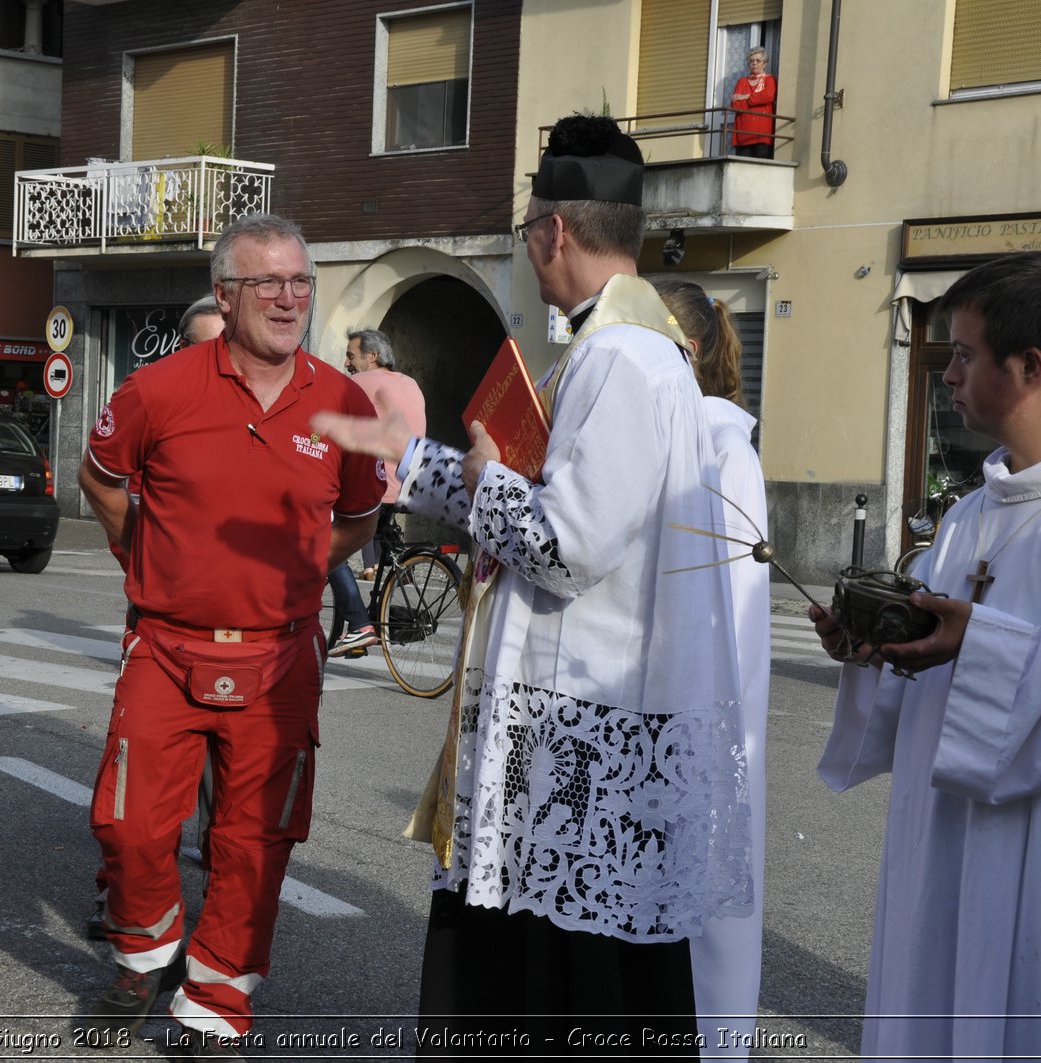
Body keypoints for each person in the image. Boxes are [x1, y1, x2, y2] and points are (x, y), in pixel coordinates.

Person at [314, 114, 748, 1053]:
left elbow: (566, 541)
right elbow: (532, 489)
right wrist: (414, 459)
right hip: (571, 719)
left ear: (555, 232)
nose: (529, 249)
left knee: (570, 978)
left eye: (527, 233)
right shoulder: (614, 348)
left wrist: (478, 477)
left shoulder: (623, 360)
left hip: (579, 728)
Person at [809, 252, 1041, 1060]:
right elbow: (932, 678)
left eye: (961, 353)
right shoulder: (967, 517)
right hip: (940, 853)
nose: (946, 372)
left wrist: (975, 644)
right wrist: (876, 647)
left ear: (1031, 367)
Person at [77, 213, 384, 1058]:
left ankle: (214, 1005)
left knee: (256, 844)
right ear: (225, 293)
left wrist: (296, 573)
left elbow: (356, 519)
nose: (289, 299)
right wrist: (136, 550)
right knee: (131, 826)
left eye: (300, 282)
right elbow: (101, 479)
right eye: (268, 283)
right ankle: (144, 952)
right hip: (167, 647)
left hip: (280, 656)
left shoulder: (344, 401)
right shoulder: (158, 389)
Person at [87, 293, 229, 943]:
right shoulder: (162, 407)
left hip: (244, 641)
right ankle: (124, 897)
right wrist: (144, 561)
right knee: (142, 782)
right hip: (164, 625)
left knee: (221, 789)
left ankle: (208, 909)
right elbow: (111, 487)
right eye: (206, 345)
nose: (221, 358)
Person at [653, 279, 770, 1058]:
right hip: (655, 707)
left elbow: (726, 617)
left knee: (704, 933)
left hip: (699, 720)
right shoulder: (669, 439)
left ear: (682, 351)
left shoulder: (724, 454)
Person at [326, 328, 428, 657]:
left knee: (325, 546)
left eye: (351, 356)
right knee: (380, 536)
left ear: (372, 357)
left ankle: (358, 625)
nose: (346, 362)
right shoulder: (410, 383)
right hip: (410, 485)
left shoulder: (361, 384)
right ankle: (393, 579)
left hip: (378, 486)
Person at [730, 48, 776, 159]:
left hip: (762, 133)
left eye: (758, 60)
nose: (754, 63)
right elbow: (736, 105)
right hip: (743, 134)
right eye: (751, 61)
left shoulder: (769, 79)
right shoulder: (742, 81)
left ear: (765, 63)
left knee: (760, 170)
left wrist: (746, 96)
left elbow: (768, 96)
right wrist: (757, 100)